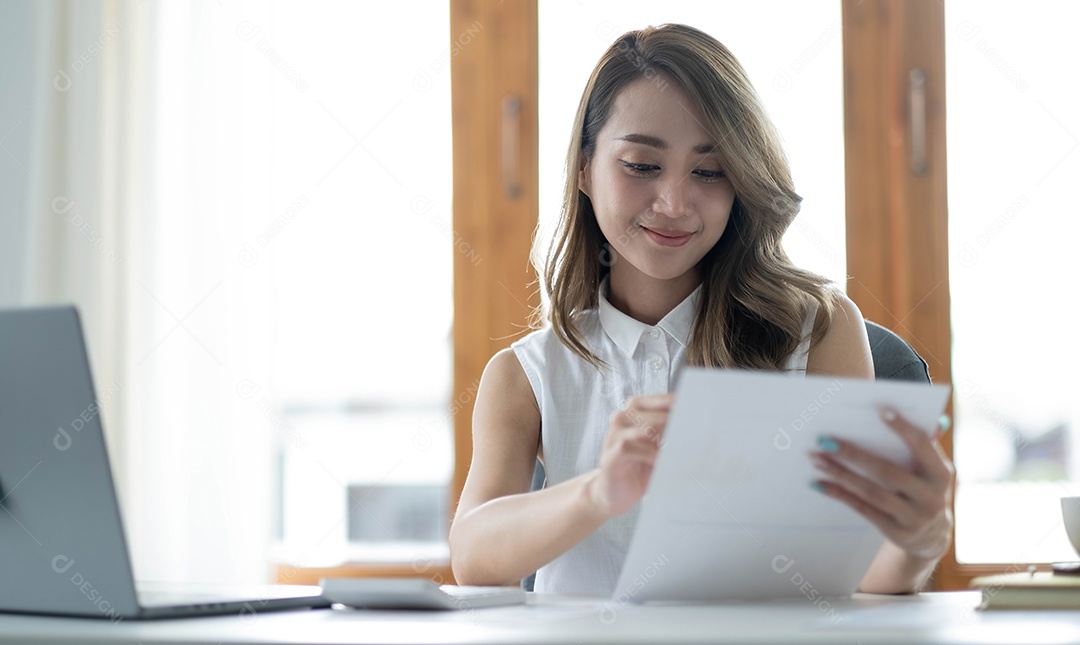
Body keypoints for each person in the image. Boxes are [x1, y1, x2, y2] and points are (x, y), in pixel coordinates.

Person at [449, 23, 953, 595]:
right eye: (642, 165)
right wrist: (596, 493)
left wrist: (917, 544)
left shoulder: (820, 329)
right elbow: (473, 556)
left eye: (710, 172)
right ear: (585, 170)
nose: (675, 204)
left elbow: (862, 571)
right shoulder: (527, 374)